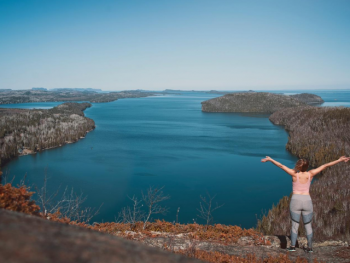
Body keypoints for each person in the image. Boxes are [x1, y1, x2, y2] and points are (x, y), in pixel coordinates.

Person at [261, 156, 350, 253]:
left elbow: (281, 166)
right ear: (307, 166)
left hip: (296, 201)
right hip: (307, 201)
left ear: (299, 166)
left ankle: (292, 246)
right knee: (308, 225)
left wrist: (270, 159)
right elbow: (325, 165)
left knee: (295, 225)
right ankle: (310, 247)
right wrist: (339, 160)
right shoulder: (311, 174)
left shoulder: (294, 174)